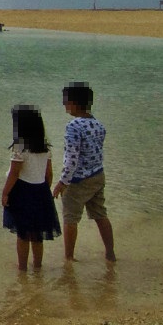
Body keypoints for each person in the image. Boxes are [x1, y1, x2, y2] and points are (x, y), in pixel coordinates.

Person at [52, 81, 116, 261]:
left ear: (74, 103)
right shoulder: (98, 125)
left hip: (78, 180)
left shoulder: (73, 126)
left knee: (70, 218)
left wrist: (63, 182)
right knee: (100, 214)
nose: (64, 105)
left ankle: (69, 258)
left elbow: (72, 158)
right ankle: (110, 251)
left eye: (65, 101)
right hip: (98, 175)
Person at [0, 104, 61, 270]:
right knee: (37, 234)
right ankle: (38, 266)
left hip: (22, 192)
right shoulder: (45, 147)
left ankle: (22, 268)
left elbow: (14, 173)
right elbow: (49, 173)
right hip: (40, 190)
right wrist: (45, 190)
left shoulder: (20, 147)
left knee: (22, 234)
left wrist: (5, 193)